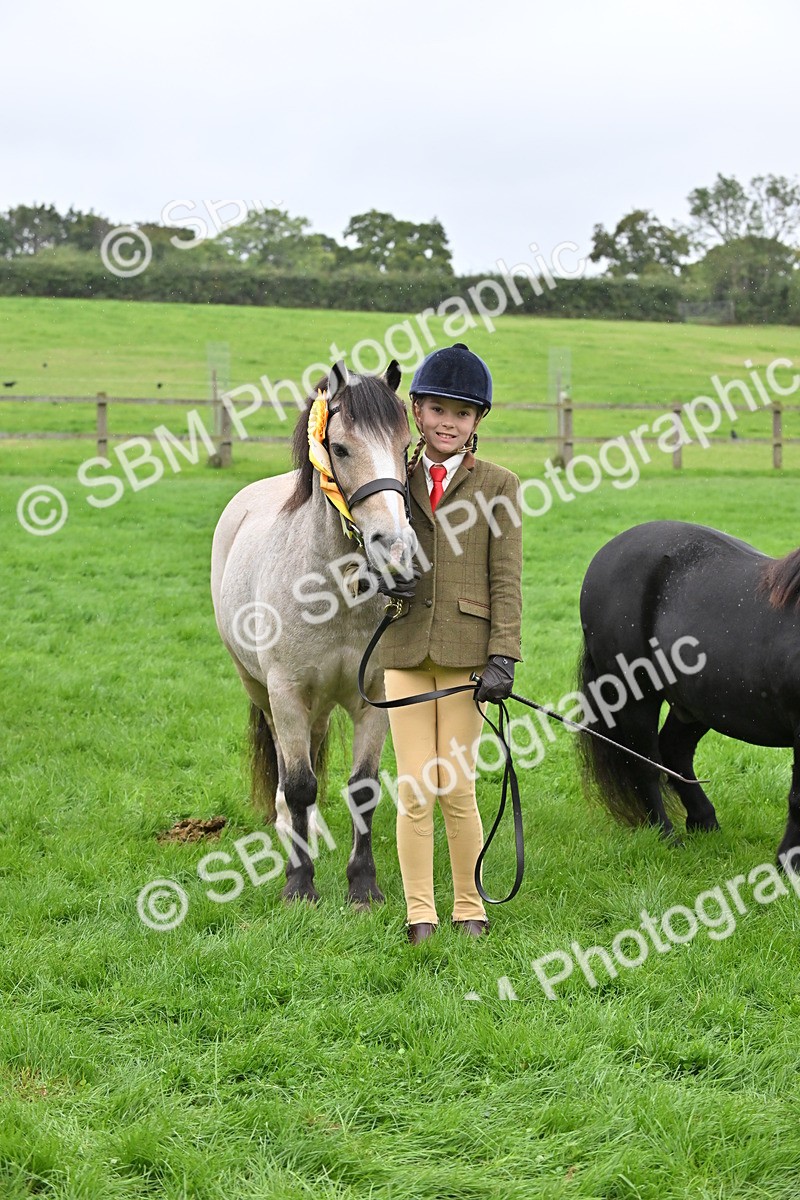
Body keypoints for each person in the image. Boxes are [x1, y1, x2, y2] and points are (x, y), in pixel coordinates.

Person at [377, 343, 523, 945]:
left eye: (462, 414)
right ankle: (420, 914)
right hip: (405, 653)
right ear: (415, 410)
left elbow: (506, 578)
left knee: (456, 787)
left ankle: (469, 906)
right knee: (414, 787)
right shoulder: (388, 481)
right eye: (437, 409)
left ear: (477, 422)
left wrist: (503, 655)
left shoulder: (499, 485)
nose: (448, 422)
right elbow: (364, 563)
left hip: (467, 657)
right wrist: (381, 578)